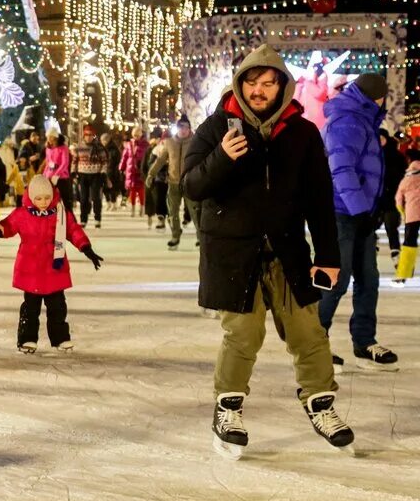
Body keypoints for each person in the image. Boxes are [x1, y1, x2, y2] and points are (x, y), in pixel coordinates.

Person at [182, 44, 353, 459]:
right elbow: (191, 185)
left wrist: (328, 254)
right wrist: (222, 157)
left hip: (287, 250)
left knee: (309, 332)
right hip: (232, 252)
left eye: (269, 83)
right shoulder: (216, 127)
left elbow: (318, 196)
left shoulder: (301, 132)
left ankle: (320, 403)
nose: (259, 90)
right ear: (241, 84)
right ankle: (228, 409)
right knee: (243, 334)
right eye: (252, 82)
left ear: (282, 87)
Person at [317, 73, 397, 371]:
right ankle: (315, 345)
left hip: (360, 213)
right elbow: (342, 170)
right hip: (341, 214)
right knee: (335, 281)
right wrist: (360, 210)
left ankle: (364, 341)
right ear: (377, 97)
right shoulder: (347, 120)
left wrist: (371, 209)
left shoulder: (363, 119)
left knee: (369, 280)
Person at [0, 175, 103, 353]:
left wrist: (86, 248)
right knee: (30, 308)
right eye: (39, 198)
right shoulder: (22, 214)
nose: (43, 202)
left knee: (58, 307)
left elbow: (73, 230)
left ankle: (61, 339)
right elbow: (8, 226)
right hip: (31, 269)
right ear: (31, 197)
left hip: (54, 269)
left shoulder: (60, 214)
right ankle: (27, 339)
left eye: (47, 198)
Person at [148, 117, 201, 248]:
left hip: (190, 183)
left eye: (186, 127)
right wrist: (151, 174)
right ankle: (175, 235)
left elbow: (202, 160)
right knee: (173, 212)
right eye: (181, 127)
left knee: (195, 212)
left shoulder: (195, 142)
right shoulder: (169, 143)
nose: (183, 130)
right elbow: (160, 160)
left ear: (189, 129)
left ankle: (201, 237)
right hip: (173, 183)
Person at [70, 125, 107, 228]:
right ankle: (83, 219)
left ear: (94, 136)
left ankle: (97, 218)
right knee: (83, 198)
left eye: (91, 135)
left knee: (96, 197)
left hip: (96, 175)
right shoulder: (79, 147)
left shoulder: (99, 148)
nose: (89, 137)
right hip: (83, 175)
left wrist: (103, 172)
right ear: (84, 136)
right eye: (87, 135)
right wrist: (73, 172)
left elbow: (104, 162)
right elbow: (74, 160)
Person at [379, 128, 407, 265]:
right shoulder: (373, 156)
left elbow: (402, 177)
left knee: (391, 226)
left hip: (390, 198)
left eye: (381, 138)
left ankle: (395, 252)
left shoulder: (396, 156)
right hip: (377, 199)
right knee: (371, 226)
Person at [393, 150, 420, 284]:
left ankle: (404, 273)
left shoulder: (406, 179)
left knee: (409, 243)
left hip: (412, 214)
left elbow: (398, 200)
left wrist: (404, 213)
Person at [119, 126, 149, 216]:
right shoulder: (129, 144)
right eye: (134, 134)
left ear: (141, 134)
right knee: (132, 190)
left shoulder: (145, 144)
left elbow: (148, 157)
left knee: (141, 191)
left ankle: (142, 208)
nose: (136, 136)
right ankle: (132, 208)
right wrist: (121, 167)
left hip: (141, 170)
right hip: (131, 170)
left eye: (137, 134)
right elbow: (125, 156)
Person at [143, 129, 168, 230]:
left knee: (169, 201)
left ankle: (170, 218)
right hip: (158, 178)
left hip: (173, 178)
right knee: (159, 199)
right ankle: (160, 217)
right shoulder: (155, 149)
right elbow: (149, 164)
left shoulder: (175, 147)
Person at [42, 130, 72, 211]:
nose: (49, 139)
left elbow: (65, 163)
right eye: (48, 137)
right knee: (50, 201)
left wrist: (57, 174)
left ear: (56, 137)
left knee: (66, 200)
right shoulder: (48, 149)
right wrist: (44, 176)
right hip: (49, 177)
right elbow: (48, 163)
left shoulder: (63, 148)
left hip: (61, 177)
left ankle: (71, 220)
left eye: (51, 137)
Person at [99, 131, 122, 209]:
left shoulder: (114, 149)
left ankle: (113, 203)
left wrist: (115, 171)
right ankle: (108, 202)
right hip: (103, 171)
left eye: (104, 140)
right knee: (105, 188)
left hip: (112, 171)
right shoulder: (101, 149)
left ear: (107, 140)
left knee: (112, 188)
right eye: (101, 141)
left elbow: (117, 161)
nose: (102, 142)